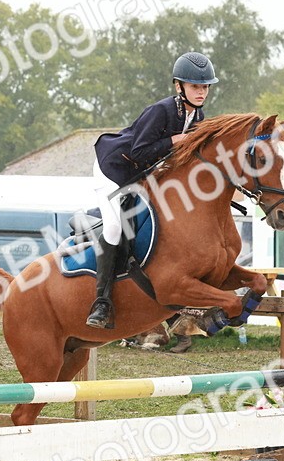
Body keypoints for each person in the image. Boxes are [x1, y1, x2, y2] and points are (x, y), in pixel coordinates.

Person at [86, 51, 216, 328]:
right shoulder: (161, 111)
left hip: (142, 175)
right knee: (114, 228)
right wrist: (175, 140)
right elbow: (139, 152)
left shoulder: (198, 115)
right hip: (113, 171)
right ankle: (101, 303)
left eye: (205, 87)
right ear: (179, 86)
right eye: (195, 86)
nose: (201, 92)